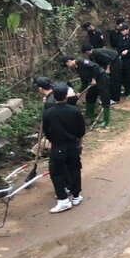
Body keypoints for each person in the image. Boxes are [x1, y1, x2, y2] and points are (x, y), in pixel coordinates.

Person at [42, 84, 86, 214]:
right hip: (73, 145)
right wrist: (78, 143)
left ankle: (63, 200)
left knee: (56, 173)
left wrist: (52, 140)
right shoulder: (75, 110)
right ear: (66, 96)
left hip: (58, 147)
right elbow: (81, 130)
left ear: (54, 96)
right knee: (75, 170)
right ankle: (76, 197)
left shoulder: (48, 113)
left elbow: (47, 131)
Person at [62, 55, 111, 128]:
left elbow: (95, 67)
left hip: (101, 78)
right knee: (90, 96)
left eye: (67, 65)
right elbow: (84, 81)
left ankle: (106, 120)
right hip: (92, 82)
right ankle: (89, 115)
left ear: (69, 61)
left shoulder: (81, 61)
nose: (68, 67)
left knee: (104, 96)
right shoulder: (77, 68)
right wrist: (79, 92)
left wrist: (94, 79)